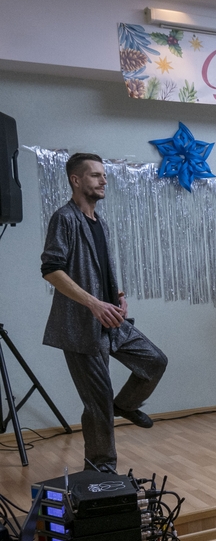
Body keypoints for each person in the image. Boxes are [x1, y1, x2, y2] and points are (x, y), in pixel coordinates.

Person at [40, 153, 168, 473]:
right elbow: (51, 270)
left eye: (104, 175)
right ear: (76, 180)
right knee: (98, 401)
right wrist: (94, 303)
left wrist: (115, 295)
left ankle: (124, 406)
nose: (103, 180)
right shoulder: (64, 218)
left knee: (154, 361)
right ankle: (101, 468)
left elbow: (94, 270)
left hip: (111, 320)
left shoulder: (101, 223)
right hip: (80, 325)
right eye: (95, 175)